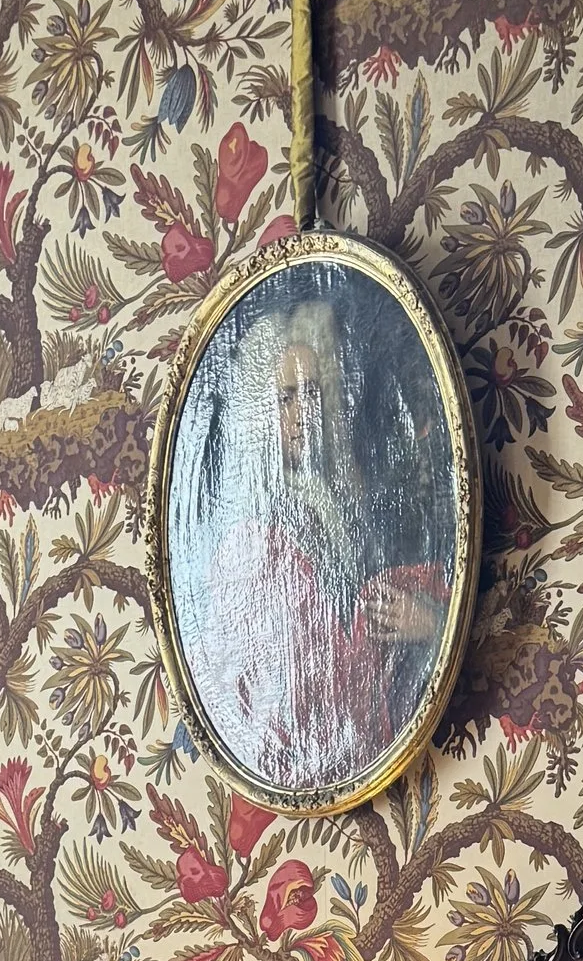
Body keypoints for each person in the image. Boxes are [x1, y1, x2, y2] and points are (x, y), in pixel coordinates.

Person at [171, 288, 452, 790]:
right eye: (286, 398)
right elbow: (272, 688)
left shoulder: (348, 506)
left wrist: (428, 624)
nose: (305, 412)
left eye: (313, 392)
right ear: (258, 418)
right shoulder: (247, 543)